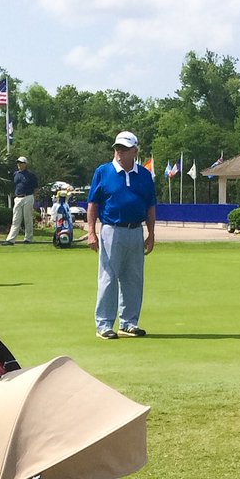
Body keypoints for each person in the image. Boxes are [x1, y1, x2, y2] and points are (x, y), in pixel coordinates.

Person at [86, 131, 156, 339]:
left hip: (136, 230)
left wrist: (151, 233)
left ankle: (129, 323)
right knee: (108, 277)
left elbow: (150, 206)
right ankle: (104, 324)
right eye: (117, 148)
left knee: (133, 279)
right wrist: (91, 232)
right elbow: (93, 204)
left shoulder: (144, 175)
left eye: (124, 149)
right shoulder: (103, 171)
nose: (119, 152)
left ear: (135, 151)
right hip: (111, 230)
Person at [3, 156, 39, 244]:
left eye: (21, 163)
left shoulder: (30, 175)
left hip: (28, 197)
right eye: (18, 163)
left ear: (25, 164)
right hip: (18, 198)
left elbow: (36, 188)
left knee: (28, 219)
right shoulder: (16, 174)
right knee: (15, 219)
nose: (19, 164)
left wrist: (35, 198)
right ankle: (10, 240)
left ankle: (28, 238)